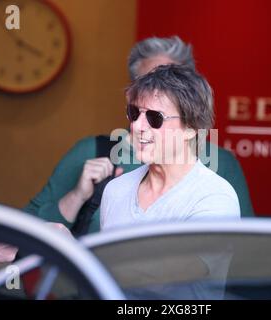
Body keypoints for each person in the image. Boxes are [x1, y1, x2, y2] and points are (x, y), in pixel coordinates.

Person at [24, 36, 253, 235]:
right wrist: (76, 196)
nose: (157, 91)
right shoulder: (96, 154)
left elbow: (243, 252)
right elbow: (22, 233)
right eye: (150, 83)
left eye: (171, 84)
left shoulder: (218, 171)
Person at [101, 64, 238, 299]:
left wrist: (73, 251)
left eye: (155, 118)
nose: (137, 126)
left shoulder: (215, 197)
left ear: (191, 128)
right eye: (134, 113)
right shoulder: (116, 190)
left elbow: (161, 281)